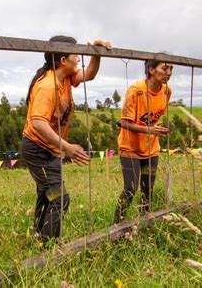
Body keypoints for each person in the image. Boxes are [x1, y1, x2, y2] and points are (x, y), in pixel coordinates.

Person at [21, 35, 112, 244]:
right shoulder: (47, 86)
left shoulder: (65, 78)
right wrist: (68, 147)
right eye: (76, 55)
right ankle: (49, 249)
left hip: (49, 148)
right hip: (37, 148)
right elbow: (38, 123)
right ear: (63, 60)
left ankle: (38, 238)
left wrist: (95, 54)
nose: (78, 59)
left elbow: (89, 74)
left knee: (47, 195)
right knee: (60, 198)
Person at [114, 59, 173, 223]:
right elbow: (124, 122)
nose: (169, 73)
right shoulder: (136, 90)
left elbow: (153, 117)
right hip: (130, 148)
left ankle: (144, 224)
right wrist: (149, 129)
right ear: (152, 70)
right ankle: (117, 226)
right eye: (165, 68)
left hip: (151, 149)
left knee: (148, 189)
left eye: (171, 69)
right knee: (130, 189)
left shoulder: (167, 91)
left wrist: (156, 128)